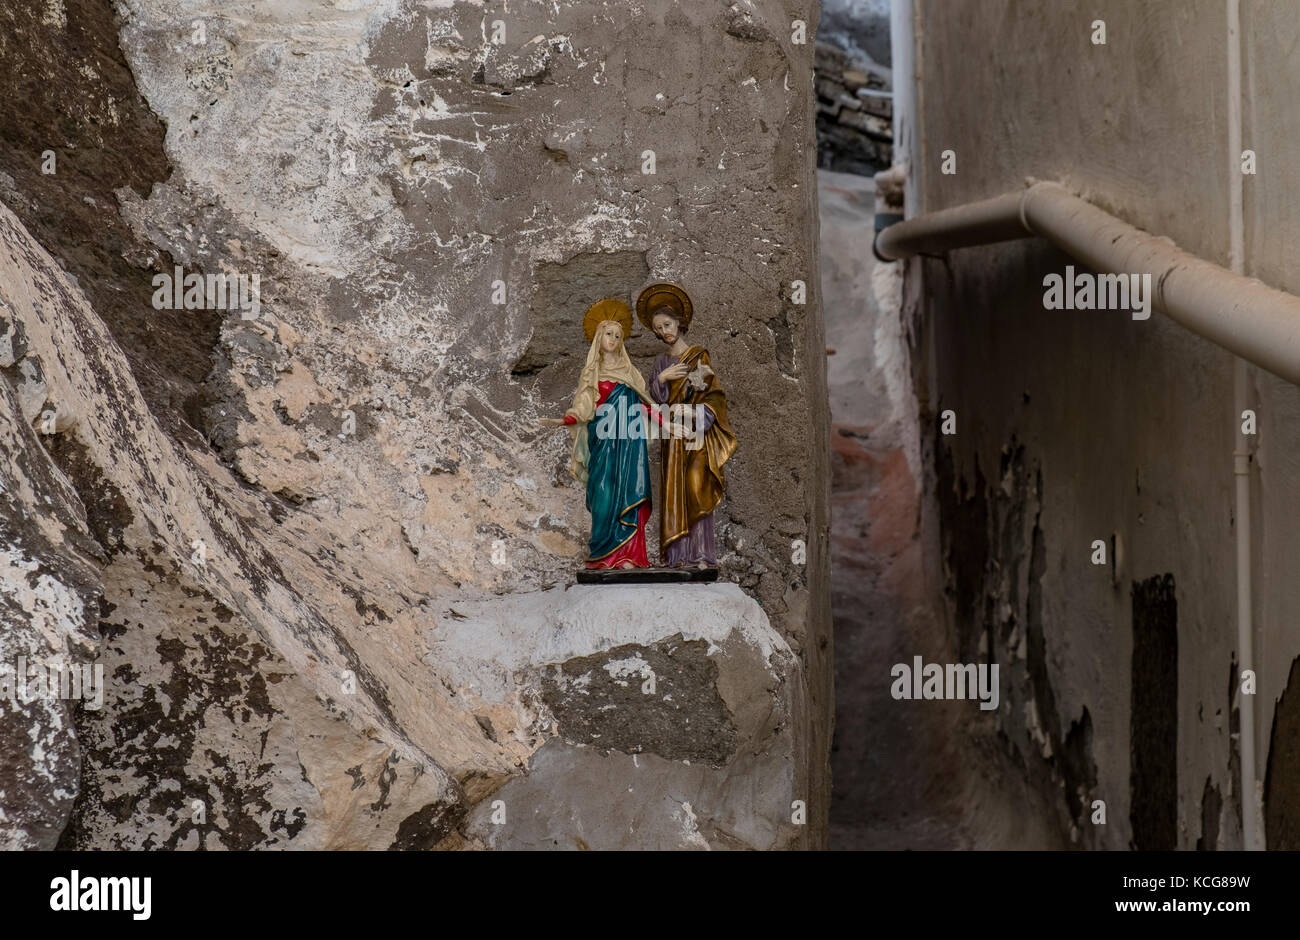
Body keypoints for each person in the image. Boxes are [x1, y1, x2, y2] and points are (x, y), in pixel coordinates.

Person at [539, 299, 656, 569]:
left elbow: (644, 403)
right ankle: (603, 553)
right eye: (608, 333)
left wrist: (668, 423)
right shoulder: (591, 372)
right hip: (603, 439)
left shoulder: (630, 372)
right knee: (602, 491)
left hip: (629, 442)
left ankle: (629, 555)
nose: (613, 339)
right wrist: (569, 417)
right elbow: (584, 404)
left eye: (618, 335)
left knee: (630, 490)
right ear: (598, 337)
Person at [639, 283, 739, 569]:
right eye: (658, 329)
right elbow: (654, 403)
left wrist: (694, 413)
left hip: (695, 436)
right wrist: (662, 380)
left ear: (680, 323)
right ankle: (677, 556)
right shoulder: (661, 363)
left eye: (667, 325)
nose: (663, 332)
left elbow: (714, 397)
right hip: (673, 438)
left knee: (696, 487)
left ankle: (701, 554)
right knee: (675, 493)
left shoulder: (698, 356)